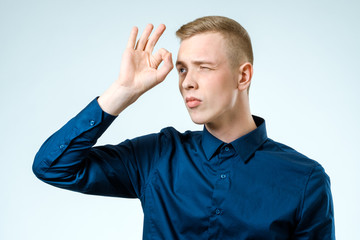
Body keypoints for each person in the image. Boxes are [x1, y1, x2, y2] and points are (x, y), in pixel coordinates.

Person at [33, 16, 335, 239]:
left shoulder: (305, 180)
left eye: (203, 67)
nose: (186, 81)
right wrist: (122, 92)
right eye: (182, 69)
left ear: (243, 77)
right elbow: (54, 167)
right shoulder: (157, 156)